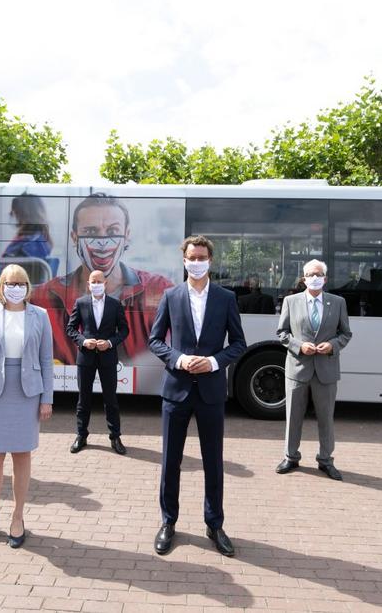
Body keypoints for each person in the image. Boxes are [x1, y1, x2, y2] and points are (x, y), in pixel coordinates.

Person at [148, 235, 246, 557]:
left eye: (202, 256)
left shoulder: (226, 298)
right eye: (192, 257)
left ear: (210, 261)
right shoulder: (171, 296)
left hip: (211, 392)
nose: (197, 261)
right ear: (185, 260)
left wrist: (215, 362)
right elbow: (155, 340)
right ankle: (168, 521)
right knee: (170, 462)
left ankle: (214, 524)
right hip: (176, 390)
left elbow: (238, 344)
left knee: (213, 462)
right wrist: (178, 358)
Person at [0, 264, 54, 549]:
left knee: (21, 455)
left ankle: (18, 517)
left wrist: (47, 398)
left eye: (20, 283)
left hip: (27, 392)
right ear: (1, 286)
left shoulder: (40, 316)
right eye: (10, 283)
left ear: (28, 286)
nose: (15, 288)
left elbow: (45, 361)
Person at [34, 193, 173, 364]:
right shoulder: (45, 296)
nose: (102, 242)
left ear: (127, 234)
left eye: (113, 231)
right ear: (74, 237)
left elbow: (169, 348)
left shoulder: (159, 289)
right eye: (91, 231)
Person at [275, 259, 352, 480]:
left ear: (325, 279)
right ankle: (291, 457)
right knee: (293, 416)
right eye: (310, 274)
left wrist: (332, 346)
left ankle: (326, 460)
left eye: (318, 274)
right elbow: (282, 333)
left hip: (326, 369)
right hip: (298, 368)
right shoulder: (291, 301)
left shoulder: (338, 302)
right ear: (304, 278)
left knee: (326, 417)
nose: (314, 278)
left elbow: (346, 333)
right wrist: (299, 346)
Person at [65, 269, 129, 455]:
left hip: (108, 357)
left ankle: (115, 437)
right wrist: (84, 341)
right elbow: (71, 329)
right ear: (88, 284)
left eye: (100, 281)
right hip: (86, 357)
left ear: (105, 283)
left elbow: (124, 331)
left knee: (111, 399)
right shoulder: (81, 303)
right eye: (93, 281)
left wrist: (109, 343)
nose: (96, 284)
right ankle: (81, 435)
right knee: (83, 399)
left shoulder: (115, 304)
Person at [2, 194, 58, 276]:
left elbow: (8, 270)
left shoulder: (31, 244)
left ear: (24, 213)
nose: (13, 216)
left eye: (15, 212)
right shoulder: (38, 239)